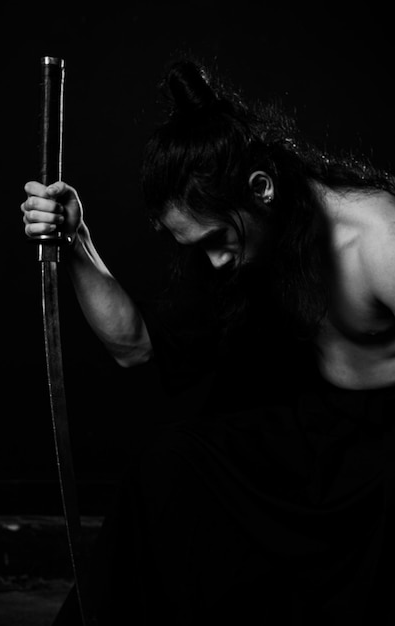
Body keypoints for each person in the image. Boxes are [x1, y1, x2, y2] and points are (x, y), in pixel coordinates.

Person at [21, 58, 395, 625]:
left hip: (382, 454)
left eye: (219, 238)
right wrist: (77, 240)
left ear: (261, 189)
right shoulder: (251, 247)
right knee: (166, 470)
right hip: (313, 433)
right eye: (199, 246)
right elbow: (135, 346)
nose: (217, 259)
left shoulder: (378, 239)